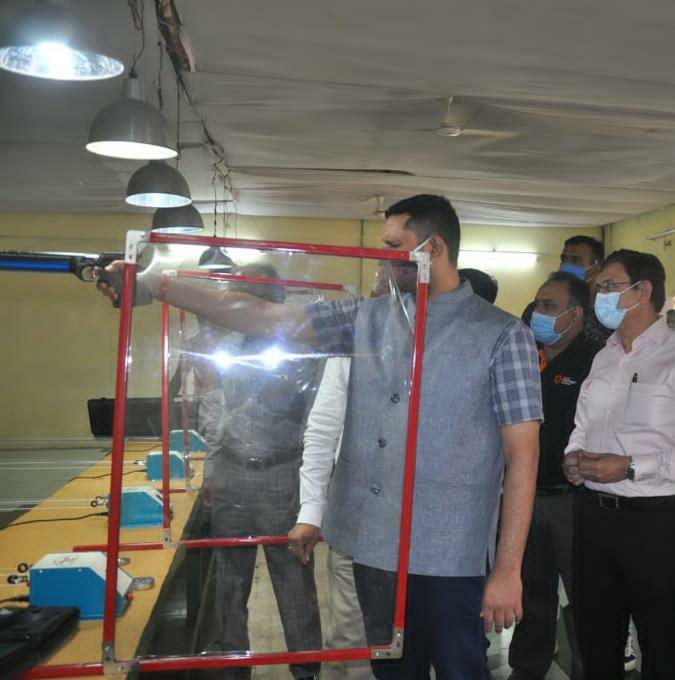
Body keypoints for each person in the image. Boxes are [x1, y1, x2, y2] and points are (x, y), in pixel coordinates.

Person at [99, 195, 542, 679]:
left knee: (461, 670)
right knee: (394, 671)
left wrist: (507, 570)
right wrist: (155, 285)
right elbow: (266, 318)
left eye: (393, 247)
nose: (381, 259)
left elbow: (522, 458)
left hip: (450, 553)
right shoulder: (367, 318)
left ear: (432, 248)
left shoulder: (502, 336)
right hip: (375, 549)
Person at [563, 249, 675, 679]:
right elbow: (584, 424)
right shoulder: (604, 355)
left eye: (610, 286)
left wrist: (632, 467)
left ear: (644, 291)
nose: (600, 296)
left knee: (660, 638)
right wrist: (573, 456)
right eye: (598, 287)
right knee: (596, 637)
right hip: (593, 516)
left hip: (653, 521)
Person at [201, 264, 323, 680]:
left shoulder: (301, 350)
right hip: (232, 471)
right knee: (228, 583)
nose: (239, 303)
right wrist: (211, 470)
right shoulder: (229, 345)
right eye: (237, 294)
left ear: (274, 298)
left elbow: (316, 421)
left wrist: (313, 495)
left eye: (248, 294)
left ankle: (306, 670)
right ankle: (233, 667)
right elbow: (216, 409)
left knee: (293, 583)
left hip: (281, 474)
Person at [509, 272, 600, 680]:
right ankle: (528, 668)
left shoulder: (595, 361)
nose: (538, 313)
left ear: (576, 314)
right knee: (530, 591)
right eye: (537, 305)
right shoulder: (525, 356)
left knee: (585, 595)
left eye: (550, 306)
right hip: (526, 496)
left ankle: (590, 668)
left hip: (574, 500)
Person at [288, 355, 371, 680]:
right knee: (351, 642)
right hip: (356, 518)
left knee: (426, 641)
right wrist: (311, 511)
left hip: (428, 527)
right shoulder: (352, 346)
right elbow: (323, 429)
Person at [558, 235, 613, 347]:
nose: (566, 265)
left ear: (597, 266)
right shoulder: (545, 305)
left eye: (575, 260)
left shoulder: (608, 313)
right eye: (563, 259)